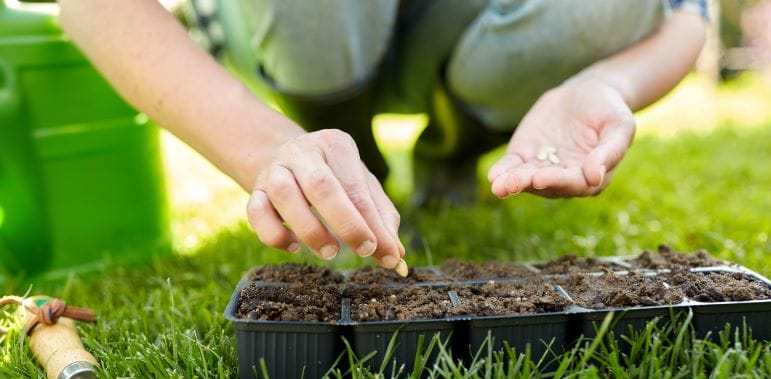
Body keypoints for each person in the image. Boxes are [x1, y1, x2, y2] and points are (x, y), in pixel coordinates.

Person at [57, 0, 707, 271]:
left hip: (457, 29)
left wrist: (607, 84)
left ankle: (449, 158)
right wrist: (264, 146)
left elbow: (684, 10)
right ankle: (342, 155)